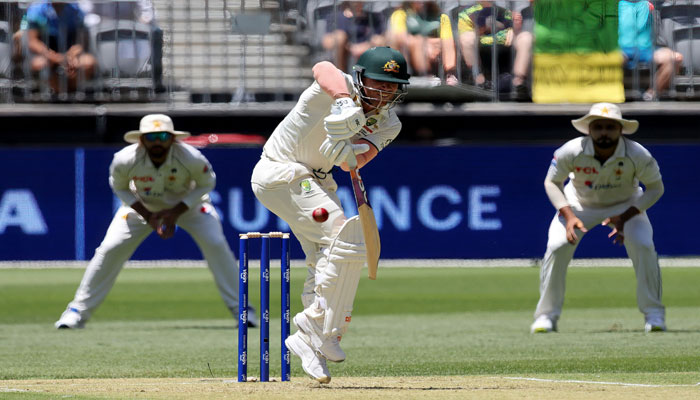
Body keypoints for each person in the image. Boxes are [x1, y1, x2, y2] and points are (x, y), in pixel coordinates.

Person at [251, 46, 409, 383]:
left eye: (393, 86)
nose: (386, 92)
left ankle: (317, 338)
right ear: (361, 77)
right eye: (379, 83)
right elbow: (322, 65)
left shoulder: (389, 124)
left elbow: (352, 162)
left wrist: (347, 151)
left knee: (329, 257)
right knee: (343, 236)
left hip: (318, 182)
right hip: (281, 170)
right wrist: (341, 102)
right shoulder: (335, 88)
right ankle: (312, 324)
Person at [55, 114, 257, 329]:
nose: (158, 142)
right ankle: (76, 312)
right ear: (141, 140)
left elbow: (207, 183)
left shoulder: (191, 157)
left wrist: (175, 212)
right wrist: (148, 215)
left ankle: (244, 311)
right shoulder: (125, 159)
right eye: (152, 137)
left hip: (190, 207)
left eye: (163, 136)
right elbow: (120, 187)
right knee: (110, 248)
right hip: (143, 207)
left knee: (216, 245)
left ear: (172, 138)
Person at [531, 103, 666, 334]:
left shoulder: (638, 154)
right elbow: (551, 182)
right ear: (589, 130)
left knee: (643, 245)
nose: (604, 132)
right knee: (557, 246)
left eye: (610, 127)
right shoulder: (571, 151)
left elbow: (655, 188)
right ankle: (545, 317)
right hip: (579, 204)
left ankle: (654, 315)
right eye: (599, 127)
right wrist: (569, 215)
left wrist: (625, 216)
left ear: (620, 130)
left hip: (626, 204)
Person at [18, 0, 96, 93]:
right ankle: (57, 92)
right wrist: (55, 57)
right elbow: (33, 41)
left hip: (70, 54)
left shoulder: (77, 10)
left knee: (88, 62)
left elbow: (82, 41)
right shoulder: (36, 9)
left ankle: (67, 93)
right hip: (46, 54)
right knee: (39, 64)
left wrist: (71, 56)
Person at [457, 1, 533, 96]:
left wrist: (515, 29)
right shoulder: (467, 13)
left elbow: (514, 28)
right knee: (466, 38)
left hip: (505, 44)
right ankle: (479, 81)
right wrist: (479, 30)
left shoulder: (504, 11)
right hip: (481, 46)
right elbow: (464, 36)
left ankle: (518, 83)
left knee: (526, 38)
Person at [618, 0, 683, 101]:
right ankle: (615, 95)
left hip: (646, 50)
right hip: (621, 50)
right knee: (612, 58)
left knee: (676, 58)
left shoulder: (649, 5)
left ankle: (651, 94)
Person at [387, 1, 457, 85]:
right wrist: (424, 43)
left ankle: (450, 73)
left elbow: (446, 38)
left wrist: (431, 44)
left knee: (447, 42)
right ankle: (422, 75)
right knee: (418, 42)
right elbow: (400, 37)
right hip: (410, 54)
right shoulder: (401, 14)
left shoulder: (441, 17)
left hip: (435, 52)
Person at [321, 1, 387, 73]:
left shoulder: (374, 17)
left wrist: (366, 46)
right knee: (339, 37)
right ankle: (341, 77)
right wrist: (350, 47)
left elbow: (382, 38)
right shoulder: (336, 17)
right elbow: (327, 41)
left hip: (367, 52)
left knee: (379, 41)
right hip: (345, 55)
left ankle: (376, 78)